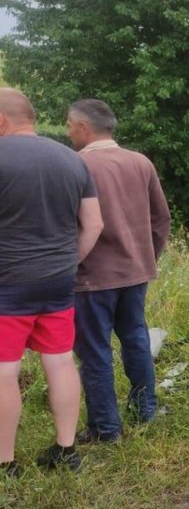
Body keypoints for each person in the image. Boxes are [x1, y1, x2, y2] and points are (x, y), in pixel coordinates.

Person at [0, 88, 103, 476]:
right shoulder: (72, 159)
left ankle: (5, 462)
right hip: (59, 283)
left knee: (4, 371)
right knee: (60, 362)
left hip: (8, 284)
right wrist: (68, 263)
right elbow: (94, 224)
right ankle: (66, 450)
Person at [66, 99, 171, 443]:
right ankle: (145, 411)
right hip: (135, 272)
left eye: (69, 125)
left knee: (94, 350)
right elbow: (161, 218)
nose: (67, 132)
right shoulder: (140, 162)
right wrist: (147, 257)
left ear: (84, 127)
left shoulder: (76, 165)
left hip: (91, 276)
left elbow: (68, 222)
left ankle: (105, 427)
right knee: (136, 339)